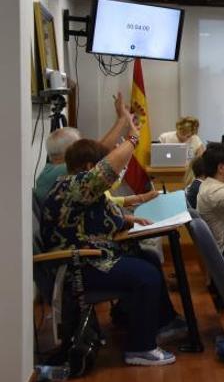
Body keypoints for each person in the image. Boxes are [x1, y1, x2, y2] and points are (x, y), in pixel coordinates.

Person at [40, 100, 185, 366]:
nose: (110, 172)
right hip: (80, 265)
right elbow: (104, 175)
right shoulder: (73, 186)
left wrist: (129, 219)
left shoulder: (77, 189)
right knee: (146, 276)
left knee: (149, 259)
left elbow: (104, 214)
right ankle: (140, 348)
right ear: (87, 167)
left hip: (92, 258)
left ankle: (163, 323)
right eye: (98, 166)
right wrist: (132, 137)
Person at [35, 93, 134, 204]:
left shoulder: (52, 169)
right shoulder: (62, 171)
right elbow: (99, 152)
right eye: (79, 146)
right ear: (68, 151)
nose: (83, 149)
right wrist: (122, 121)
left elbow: (97, 150)